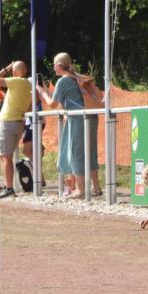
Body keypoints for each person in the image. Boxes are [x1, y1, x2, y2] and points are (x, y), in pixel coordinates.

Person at [36, 53, 101, 198]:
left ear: (59, 66)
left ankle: (81, 190)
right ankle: (96, 187)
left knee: (76, 153)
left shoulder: (63, 81)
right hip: (91, 117)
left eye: (54, 65)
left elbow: (53, 104)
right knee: (90, 151)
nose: (53, 68)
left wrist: (41, 91)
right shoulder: (76, 77)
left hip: (77, 119)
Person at [0, 61, 32, 199]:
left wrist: (5, 68)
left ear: (16, 72)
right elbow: (30, 106)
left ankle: (9, 188)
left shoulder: (16, 81)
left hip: (8, 121)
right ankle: (9, 187)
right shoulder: (28, 84)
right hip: (19, 121)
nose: (12, 72)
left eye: (13, 70)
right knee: (7, 155)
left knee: (4, 156)